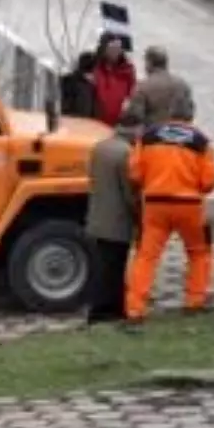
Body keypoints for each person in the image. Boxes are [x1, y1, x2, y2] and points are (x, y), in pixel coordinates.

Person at [125, 94, 214, 323]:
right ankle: (194, 301)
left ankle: (135, 308)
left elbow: (134, 173)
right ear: (191, 115)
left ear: (169, 113)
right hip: (190, 206)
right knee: (199, 253)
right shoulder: (201, 141)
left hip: (156, 205)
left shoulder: (148, 137)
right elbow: (210, 180)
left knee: (146, 256)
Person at [84, 103, 143, 324]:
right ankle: (109, 311)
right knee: (115, 268)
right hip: (117, 222)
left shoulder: (99, 147)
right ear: (135, 128)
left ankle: (101, 309)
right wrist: (138, 214)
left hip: (97, 216)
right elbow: (129, 192)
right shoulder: (126, 153)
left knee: (103, 266)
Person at [127, 45, 193, 127]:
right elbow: (189, 113)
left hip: (154, 135)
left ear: (149, 63)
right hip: (179, 134)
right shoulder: (182, 84)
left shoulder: (144, 86)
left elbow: (133, 116)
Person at [91, 32, 136, 128]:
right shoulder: (94, 67)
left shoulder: (127, 69)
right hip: (97, 120)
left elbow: (132, 91)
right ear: (104, 49)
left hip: (119, 121)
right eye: (112, 48)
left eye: (118, 48)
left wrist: (129, 103)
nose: (116, 51)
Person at [60, 51, 99, 119]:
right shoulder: (72, 82)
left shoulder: (91, 84)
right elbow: (66, 106)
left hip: (87, 123)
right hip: (76, 122)